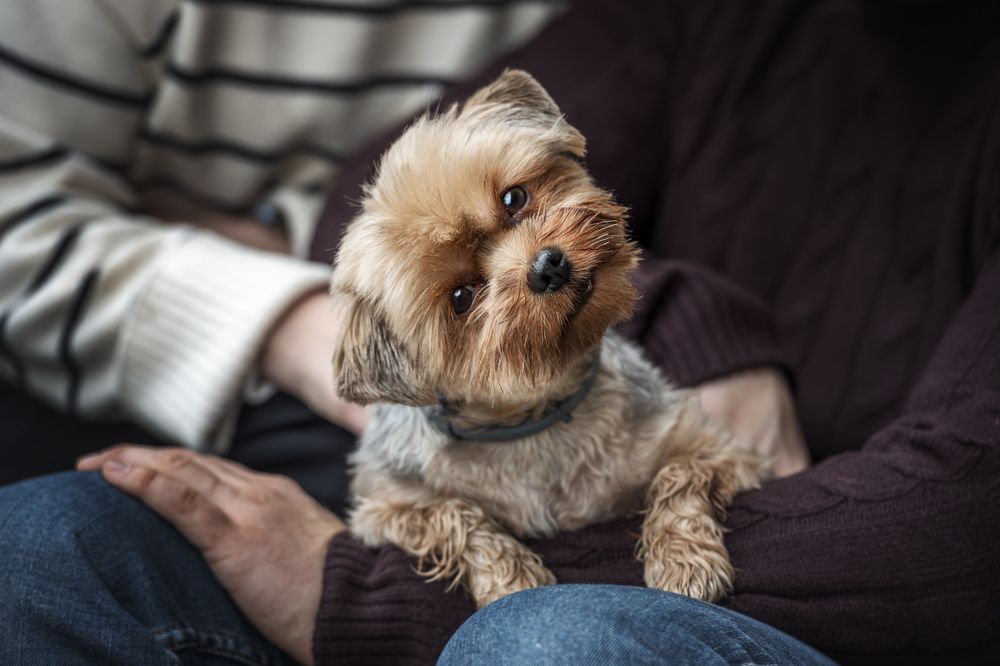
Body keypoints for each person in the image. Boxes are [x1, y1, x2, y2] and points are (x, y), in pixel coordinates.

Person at [2, 1, 999, 664]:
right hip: (502, 491)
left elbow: (957, 531)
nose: (536, 256)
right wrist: (691, 322)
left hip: (839, 611)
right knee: (43, 548)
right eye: (467, 291)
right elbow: (388, 192)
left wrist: (371, 606)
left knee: (540, 645)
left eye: (525, 204)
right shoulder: (709, 14)